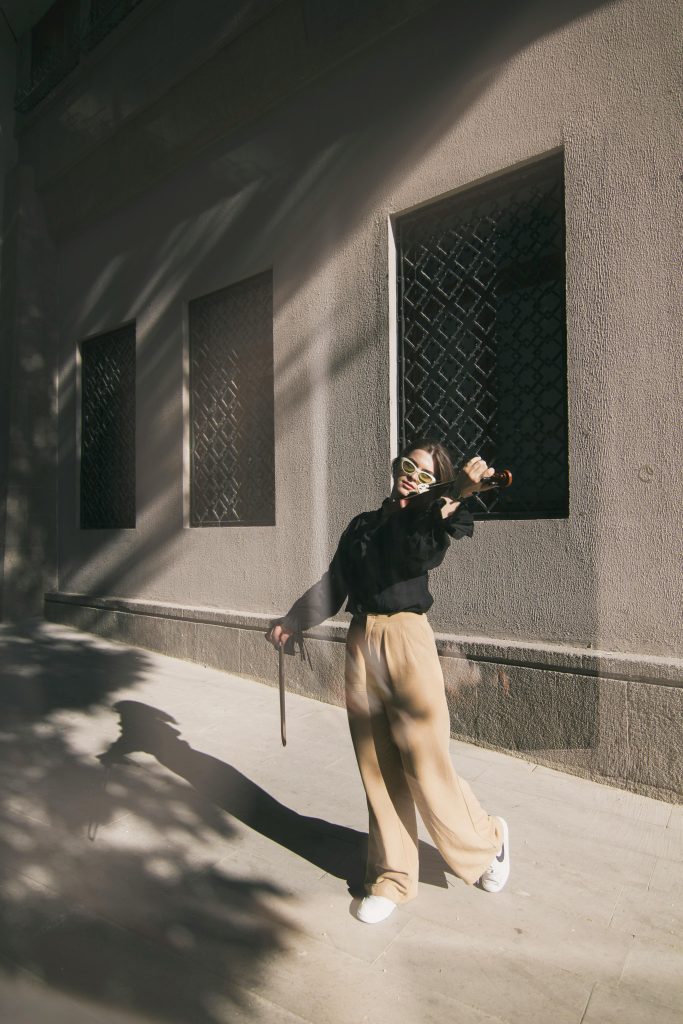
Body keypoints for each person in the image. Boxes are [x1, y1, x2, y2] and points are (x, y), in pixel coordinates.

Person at [266, 439, 509, 924]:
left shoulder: (431, 519)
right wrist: (293, 620)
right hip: (361, 640)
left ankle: (489, 840)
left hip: (406, 639)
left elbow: (413, 555)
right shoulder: (362, 524)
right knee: (377, 765)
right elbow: (336, 583)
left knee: (424, 760)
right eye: (407, 466)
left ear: (436, 483)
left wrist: (453, 495)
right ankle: (392, 878)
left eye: (425, 474)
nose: (412, 477)